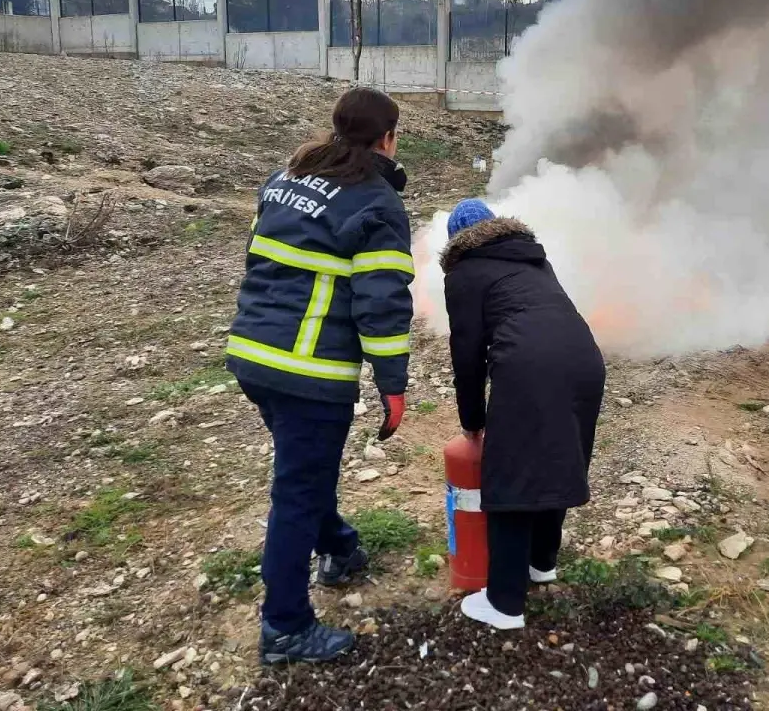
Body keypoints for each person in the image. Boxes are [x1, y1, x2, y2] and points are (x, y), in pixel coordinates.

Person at [227, 87, 414, 664]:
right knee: (297, 491)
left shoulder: (284, 179)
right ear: (387, 138)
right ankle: (284, 626)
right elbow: (381, 304)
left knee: (303, 470)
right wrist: (393, 384)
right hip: (308, 372)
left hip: (252, 356)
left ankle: (340, 549)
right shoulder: (377, 204)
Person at [440, 199, 606, 630]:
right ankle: (541, 563)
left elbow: (468, 355)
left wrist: (473, 419)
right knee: (557, 457)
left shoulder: (464, 273)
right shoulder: (534, 260)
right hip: (585, 360)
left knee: (512, 474)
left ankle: (504, 603)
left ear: (456, 242)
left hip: (530, 367)